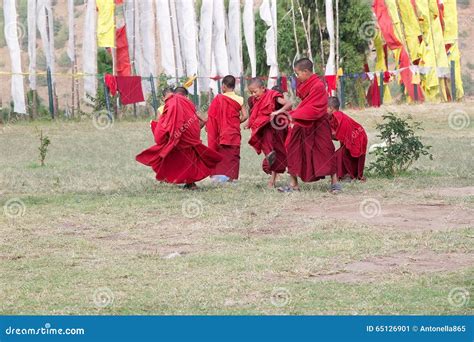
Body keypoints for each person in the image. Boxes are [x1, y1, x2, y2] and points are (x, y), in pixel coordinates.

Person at [136, 91, 222, 190]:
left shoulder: (170, 104)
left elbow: (163, 124)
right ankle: (190, 183)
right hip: (187, 138)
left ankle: (169, 179)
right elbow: (198, 120)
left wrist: (164, 132)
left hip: (178, 137)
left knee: (170, 157)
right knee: (188, 159)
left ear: (164, 98)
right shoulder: (187, 104)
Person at [281, 58, 341, 193]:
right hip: (303, 122)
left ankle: (335, 182)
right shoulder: (306, 84)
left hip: (318, 123)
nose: (296, 76)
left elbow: (315, 107)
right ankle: (293, 184)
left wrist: (295, 114)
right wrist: (298, 115)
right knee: (292, 146)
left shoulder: (318, 86)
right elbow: (307, 103)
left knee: (325, 150)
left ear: (306, 71)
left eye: (298, 73)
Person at [247, 78, 292, 188]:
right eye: (251, 92)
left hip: (276, 129)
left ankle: (272, 182)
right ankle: (270, 160)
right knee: (270, 152)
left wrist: (277, 112)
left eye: (255, 91)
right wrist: (248, 123)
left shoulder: (272, 95)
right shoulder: (254, 100)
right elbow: (254, 113)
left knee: (277, 153)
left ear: (263, 88)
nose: (253, 94)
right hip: (264, 128)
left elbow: (289, 104)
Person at [206, 75, 248, 182]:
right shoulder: (239, 99)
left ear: (223, 86)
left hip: (222, 132)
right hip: (233, 131)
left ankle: (219, 177)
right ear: (234, 86)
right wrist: (235, 122)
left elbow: (212, 116)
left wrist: (209, 126)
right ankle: (231, 178)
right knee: (233, 155)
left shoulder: (218, 99)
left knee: (222, 153)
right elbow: (245, 116)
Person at [327, 97, 368, 181]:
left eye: (325, 108)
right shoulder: (335, 116)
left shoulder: (337, 116)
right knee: (343, 154)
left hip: (357, 136)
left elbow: (336, 134)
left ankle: (347, 175)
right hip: (360, 134)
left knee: (339, 155)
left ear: (331, 108)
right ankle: (349, 175)